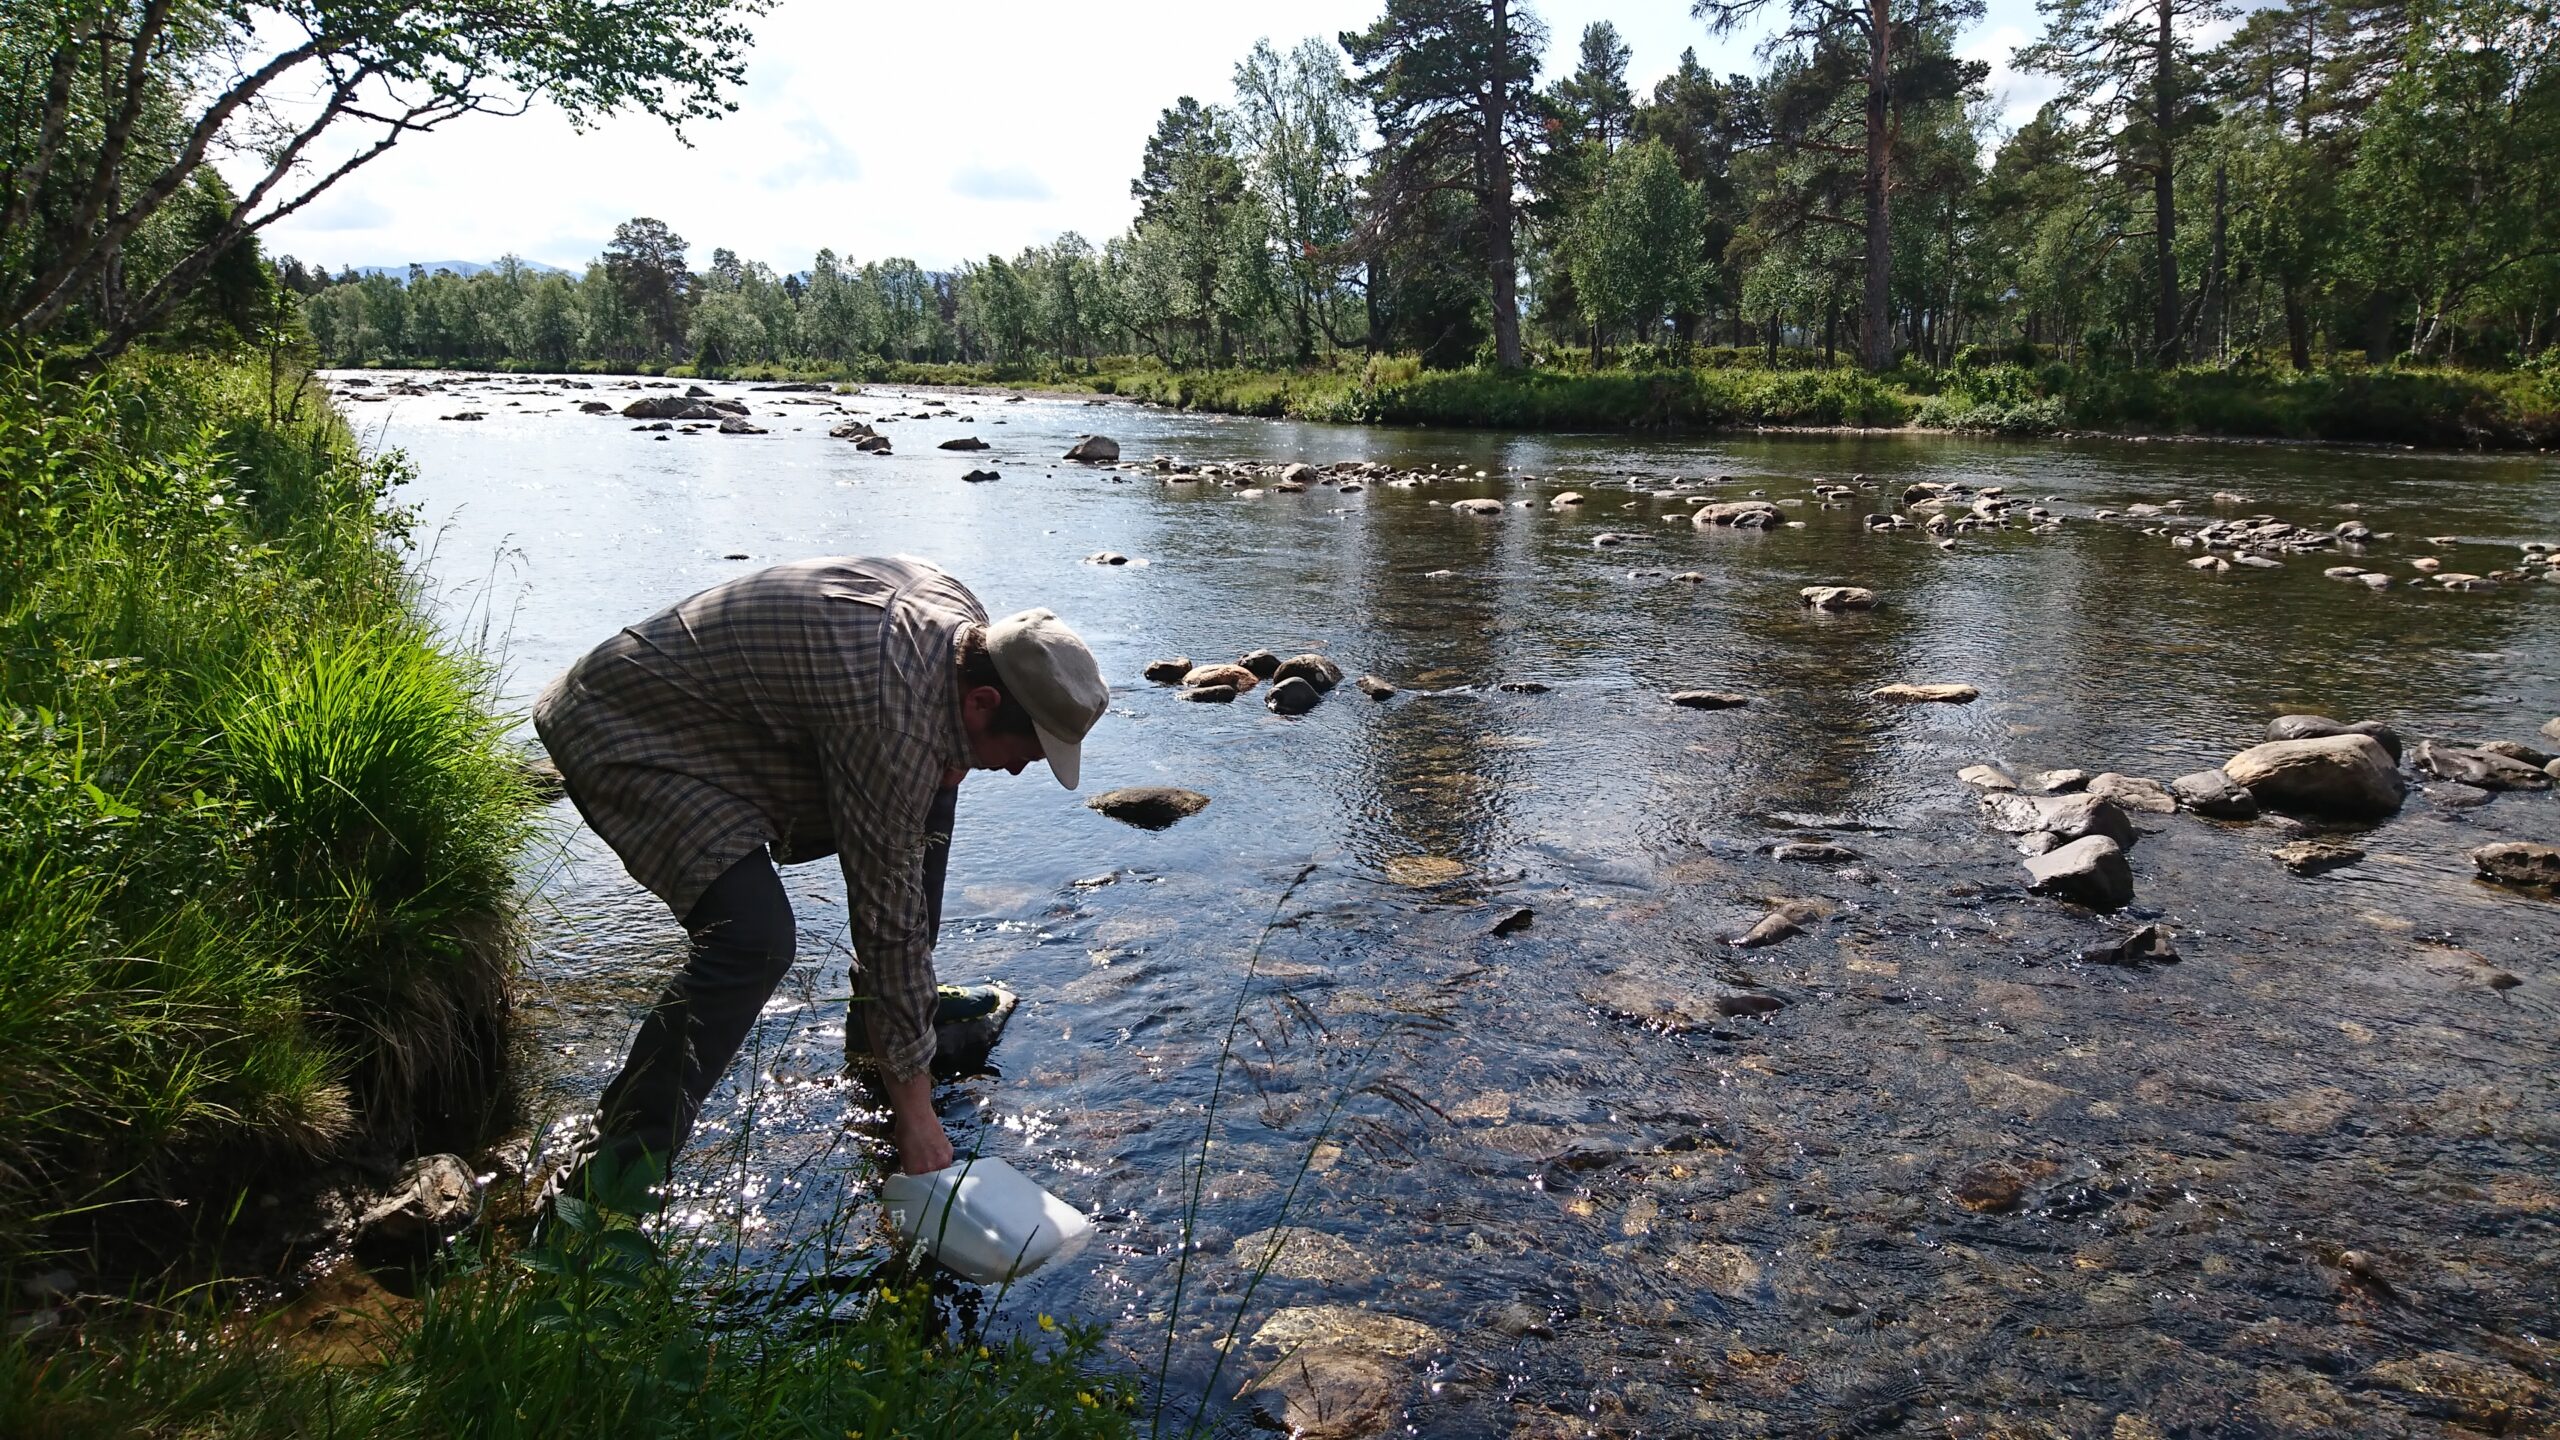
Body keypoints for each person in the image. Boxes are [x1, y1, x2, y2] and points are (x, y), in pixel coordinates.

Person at [530, 555, 1108, 1202]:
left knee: (935, 786)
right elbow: (883, 911)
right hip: (625, 726)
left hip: (725, 712)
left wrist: (951, 759)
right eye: (1027, 752)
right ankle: (607, 1188)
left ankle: (882, 1028)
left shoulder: (965, 630)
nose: (1022, 770)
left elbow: (928, 749)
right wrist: (915, 1122)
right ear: (982, 701)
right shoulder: (891, 720)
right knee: (752, 940)